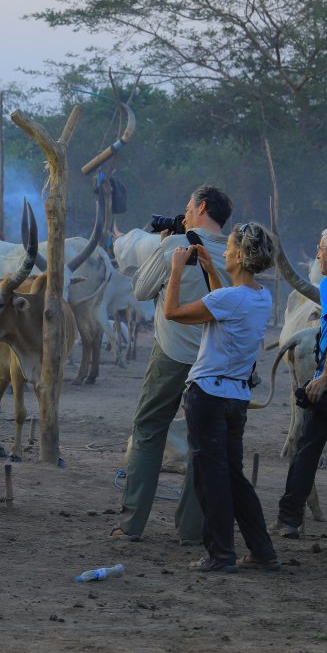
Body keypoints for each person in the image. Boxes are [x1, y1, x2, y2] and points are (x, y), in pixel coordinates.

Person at [112, 185, 233, 543]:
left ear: (202, 207)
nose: (185, 214)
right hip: (214, 361)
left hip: (172, 353)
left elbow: (140, 291)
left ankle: (132, 523)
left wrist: (164, 246)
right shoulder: (235, 253)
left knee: (149, 430)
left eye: (188, 207)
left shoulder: (174, 246)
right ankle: (192, 530)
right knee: (204, 441)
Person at [163, 222, 280, 572]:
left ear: (240, 256)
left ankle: (220, 555)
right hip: (235, 398)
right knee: (233, 476)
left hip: (208, 396)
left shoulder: (229, 299)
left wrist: (175, 270)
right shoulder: (262, 297)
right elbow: (223, 305)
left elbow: (172, 312)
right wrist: (212, 270)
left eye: (229, 249)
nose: (224, 252)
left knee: (210, 477)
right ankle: (262, 551)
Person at [275, 226, 327, 539]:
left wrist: (326, 375)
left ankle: (289, 520)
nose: (317, 255)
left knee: (307, 450)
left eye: (321, 249)